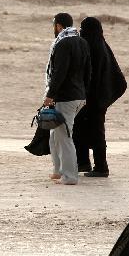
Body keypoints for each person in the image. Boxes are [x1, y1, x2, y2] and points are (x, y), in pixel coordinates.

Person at [73, 17, 127, 177]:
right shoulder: (102, 46)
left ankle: (101, 167)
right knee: (85, 130)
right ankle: (84, 163)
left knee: (93, 133)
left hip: (91, 100)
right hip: (96, 100)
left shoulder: (89, 47)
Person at [43, 13, 91, 185]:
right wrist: (84, 94)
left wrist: (50, 95)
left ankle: (70, 176)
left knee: (64, 136)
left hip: (66, 97)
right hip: (77, 96)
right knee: (54, 134)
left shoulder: (62, 43)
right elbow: (88, 71)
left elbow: (59, 73)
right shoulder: (82, 42)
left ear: (58, 26)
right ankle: (58, 171)